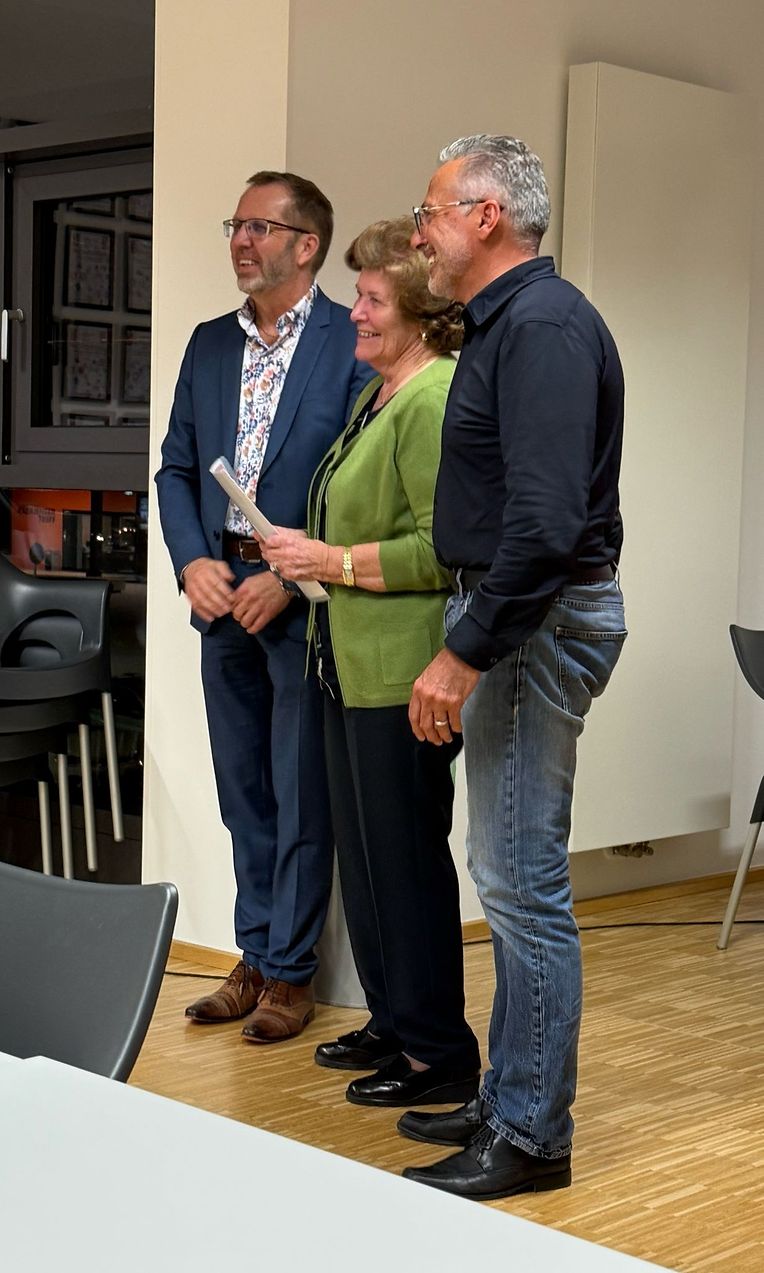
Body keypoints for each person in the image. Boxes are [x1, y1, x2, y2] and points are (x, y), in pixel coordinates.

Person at [399, 135, 627, 1196]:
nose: (419, 232)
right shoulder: (514, 323)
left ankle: (531, 1135)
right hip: (518, 614)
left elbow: (542, 524)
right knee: (503, 873)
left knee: (521, 882)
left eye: (430, 211)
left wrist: (462, 651)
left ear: (485, 215)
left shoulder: (541, 326)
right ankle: (505, 1099)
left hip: (530, 621)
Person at [259, 216, 481, 1106]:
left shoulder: (433, 399)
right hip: (346, 665)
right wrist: (308, 552)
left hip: (404, 676)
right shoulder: (380, 392)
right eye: (357, 295)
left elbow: (441, 550)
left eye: (373, 299)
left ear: (420, 312)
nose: (354, 312)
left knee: (406, 864)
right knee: (368, 861)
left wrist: (329, 560)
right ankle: (395, 1022)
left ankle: (438, 1053)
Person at [155, 171, 371, 1044]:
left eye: (259, 227)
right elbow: (175, 467)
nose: (241, 241)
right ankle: (252, 954)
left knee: (300, 790)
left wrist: (289, 573)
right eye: (235, 226)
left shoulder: (350, 340)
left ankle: (290, 970)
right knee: (243, 790)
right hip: (221, 600)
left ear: (306, 245)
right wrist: (191, 562)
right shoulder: (210, 344)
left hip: (300, 600)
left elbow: (357, 477)